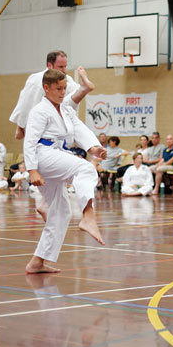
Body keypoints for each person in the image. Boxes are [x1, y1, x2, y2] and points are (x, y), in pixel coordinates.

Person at [23, 69, 106, 274]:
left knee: (61, 211)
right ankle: (88, 215)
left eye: (64, 88)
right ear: (46, 88)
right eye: (58, 89)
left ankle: (37, 262)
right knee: (86, 168)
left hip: (55, 154)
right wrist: (32, 170)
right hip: (43, 155)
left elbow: (78, 129)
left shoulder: (65, 109)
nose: (62, 92)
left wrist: (93, 148)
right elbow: (29, 141)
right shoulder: (39, 111)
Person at [10, 50, 95, 140]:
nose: (64, 70)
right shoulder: (35, 79)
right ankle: (83, 89)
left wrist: (20, 126)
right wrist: (21, 125)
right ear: (50, 65)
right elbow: (26, 103)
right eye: (60, 67)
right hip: (40, 123)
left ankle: (83, 88)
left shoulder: (66, 79)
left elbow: (73, 98)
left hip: (56, 124)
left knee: (71, 100)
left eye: (65, 66)